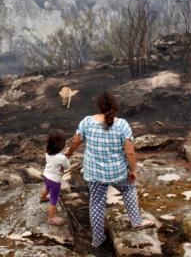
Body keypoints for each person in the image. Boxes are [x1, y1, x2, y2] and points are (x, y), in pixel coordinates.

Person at [66, 91, 154, 247]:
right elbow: (130, 152)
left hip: (95, 174)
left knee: (97, 204)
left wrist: (69, 153)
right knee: (128, 189)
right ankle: (136, 222)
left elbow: (75, 141)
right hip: (118, 172)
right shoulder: (122, 125)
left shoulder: (87, 122)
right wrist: (132, 170)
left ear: (99, 106)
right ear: (115, 106)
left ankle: (97, 239)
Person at [39, 130, 69, 226]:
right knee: (54, 200)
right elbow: (67, 166)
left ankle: (42, 197)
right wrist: (67, 157)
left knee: (47, 188)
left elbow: (55, 159)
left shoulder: (48, 152)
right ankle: (52, 218)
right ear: (61, 145)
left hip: (46, 176)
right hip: (55, 181)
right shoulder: (61, 158)